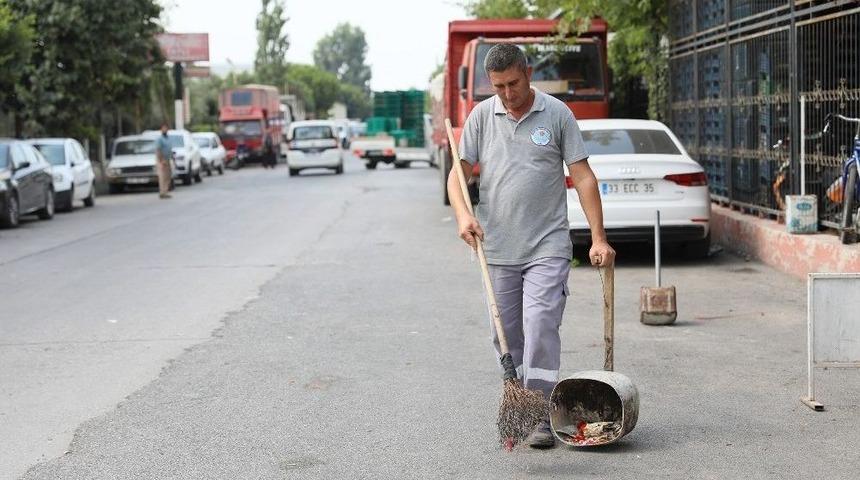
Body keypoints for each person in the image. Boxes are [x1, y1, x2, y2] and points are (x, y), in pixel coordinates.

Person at [447, 44, 616, 449]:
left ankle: (539, 412)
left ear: (528, 72)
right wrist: (462, 217)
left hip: (548, 244)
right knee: (505, 334)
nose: (508, 93)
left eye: (514, 83)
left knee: (540, 323)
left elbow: (584, 177)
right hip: (498, 249)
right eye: (499, 86)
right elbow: (458, 176)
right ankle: (519, 403)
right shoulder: (481, 117)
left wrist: (598, 237)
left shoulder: (556, 114)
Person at [155, 123, 173, 199]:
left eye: (166, 128)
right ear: (161, 129)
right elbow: (158, 150)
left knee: (168, 176)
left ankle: (166, 191)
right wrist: (161, 160)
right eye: (163, 128)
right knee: (162, 176)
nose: (165, 129)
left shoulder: (168, 138)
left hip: (168, 159)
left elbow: (169, 149)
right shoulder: (160, 139)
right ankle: (162, 192)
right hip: (161, 160)